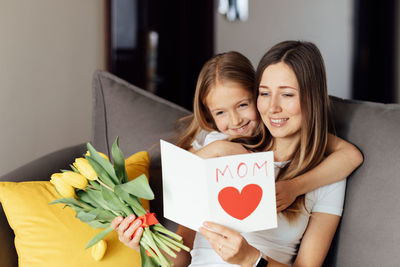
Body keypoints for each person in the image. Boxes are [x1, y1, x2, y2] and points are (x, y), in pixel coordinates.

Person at [111, 44, 363, 266]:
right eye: (264, 93)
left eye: (287, 94)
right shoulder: (221, 145)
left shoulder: (328, 173)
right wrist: (146, 242)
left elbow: (348, 154)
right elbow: (182, 256)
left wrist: (251, 259)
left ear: (312, 99)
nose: (273, 107)